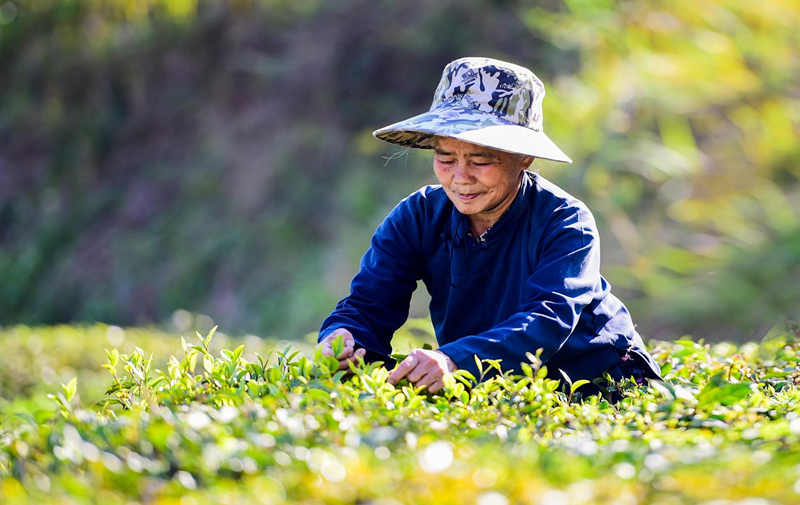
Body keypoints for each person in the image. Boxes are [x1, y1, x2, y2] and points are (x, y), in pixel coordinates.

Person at [316, 57, 661, 399]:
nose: (460, 178)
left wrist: (453, 360)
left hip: (601, 383)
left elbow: (547, 319)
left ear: (524, 158)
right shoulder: (418, 215)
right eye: (446, 159)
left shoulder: (566, 220)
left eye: (481, 161)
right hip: (491, 388)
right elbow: (369, 303)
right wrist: (345, 337)